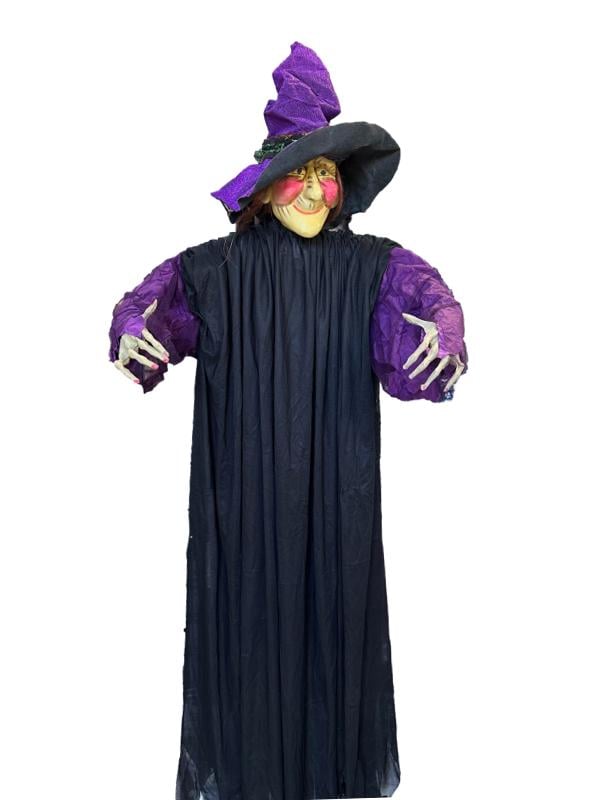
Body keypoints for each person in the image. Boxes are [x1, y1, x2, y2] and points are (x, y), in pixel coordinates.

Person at [108, 42, 467, 800]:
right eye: (299, 172)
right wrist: (132, 330)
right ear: (266, 186)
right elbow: (149, 305)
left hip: (338, 493)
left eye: (325, 173)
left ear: (341, 188)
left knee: (335, 619)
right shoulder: (215, 269)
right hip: (246, 500)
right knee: (248, 632)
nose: (311, 188)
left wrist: (444, 332)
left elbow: (430, 301)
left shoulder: (373, 266)